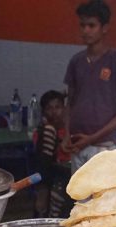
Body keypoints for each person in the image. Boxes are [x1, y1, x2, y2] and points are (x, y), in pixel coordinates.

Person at [63, 0, 116, 171]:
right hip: (76, 146)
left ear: (104, 28)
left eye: (91, 25)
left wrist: (92, 138)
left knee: (102, 197)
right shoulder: (76, 61)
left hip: (104, 147)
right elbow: (69, 104)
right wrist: (66, 135)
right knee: (79, 197)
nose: (86, 30)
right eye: (82, 25)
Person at [33, 90, 72, 218]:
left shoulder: (71, 130)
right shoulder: (43, 132)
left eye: (58, 107)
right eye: (49, 108)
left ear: (64, 109)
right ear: (44, 112)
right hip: (52, 173)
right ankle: (43, 192)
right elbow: (43, 159)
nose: (54, 112)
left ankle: (43, 197)